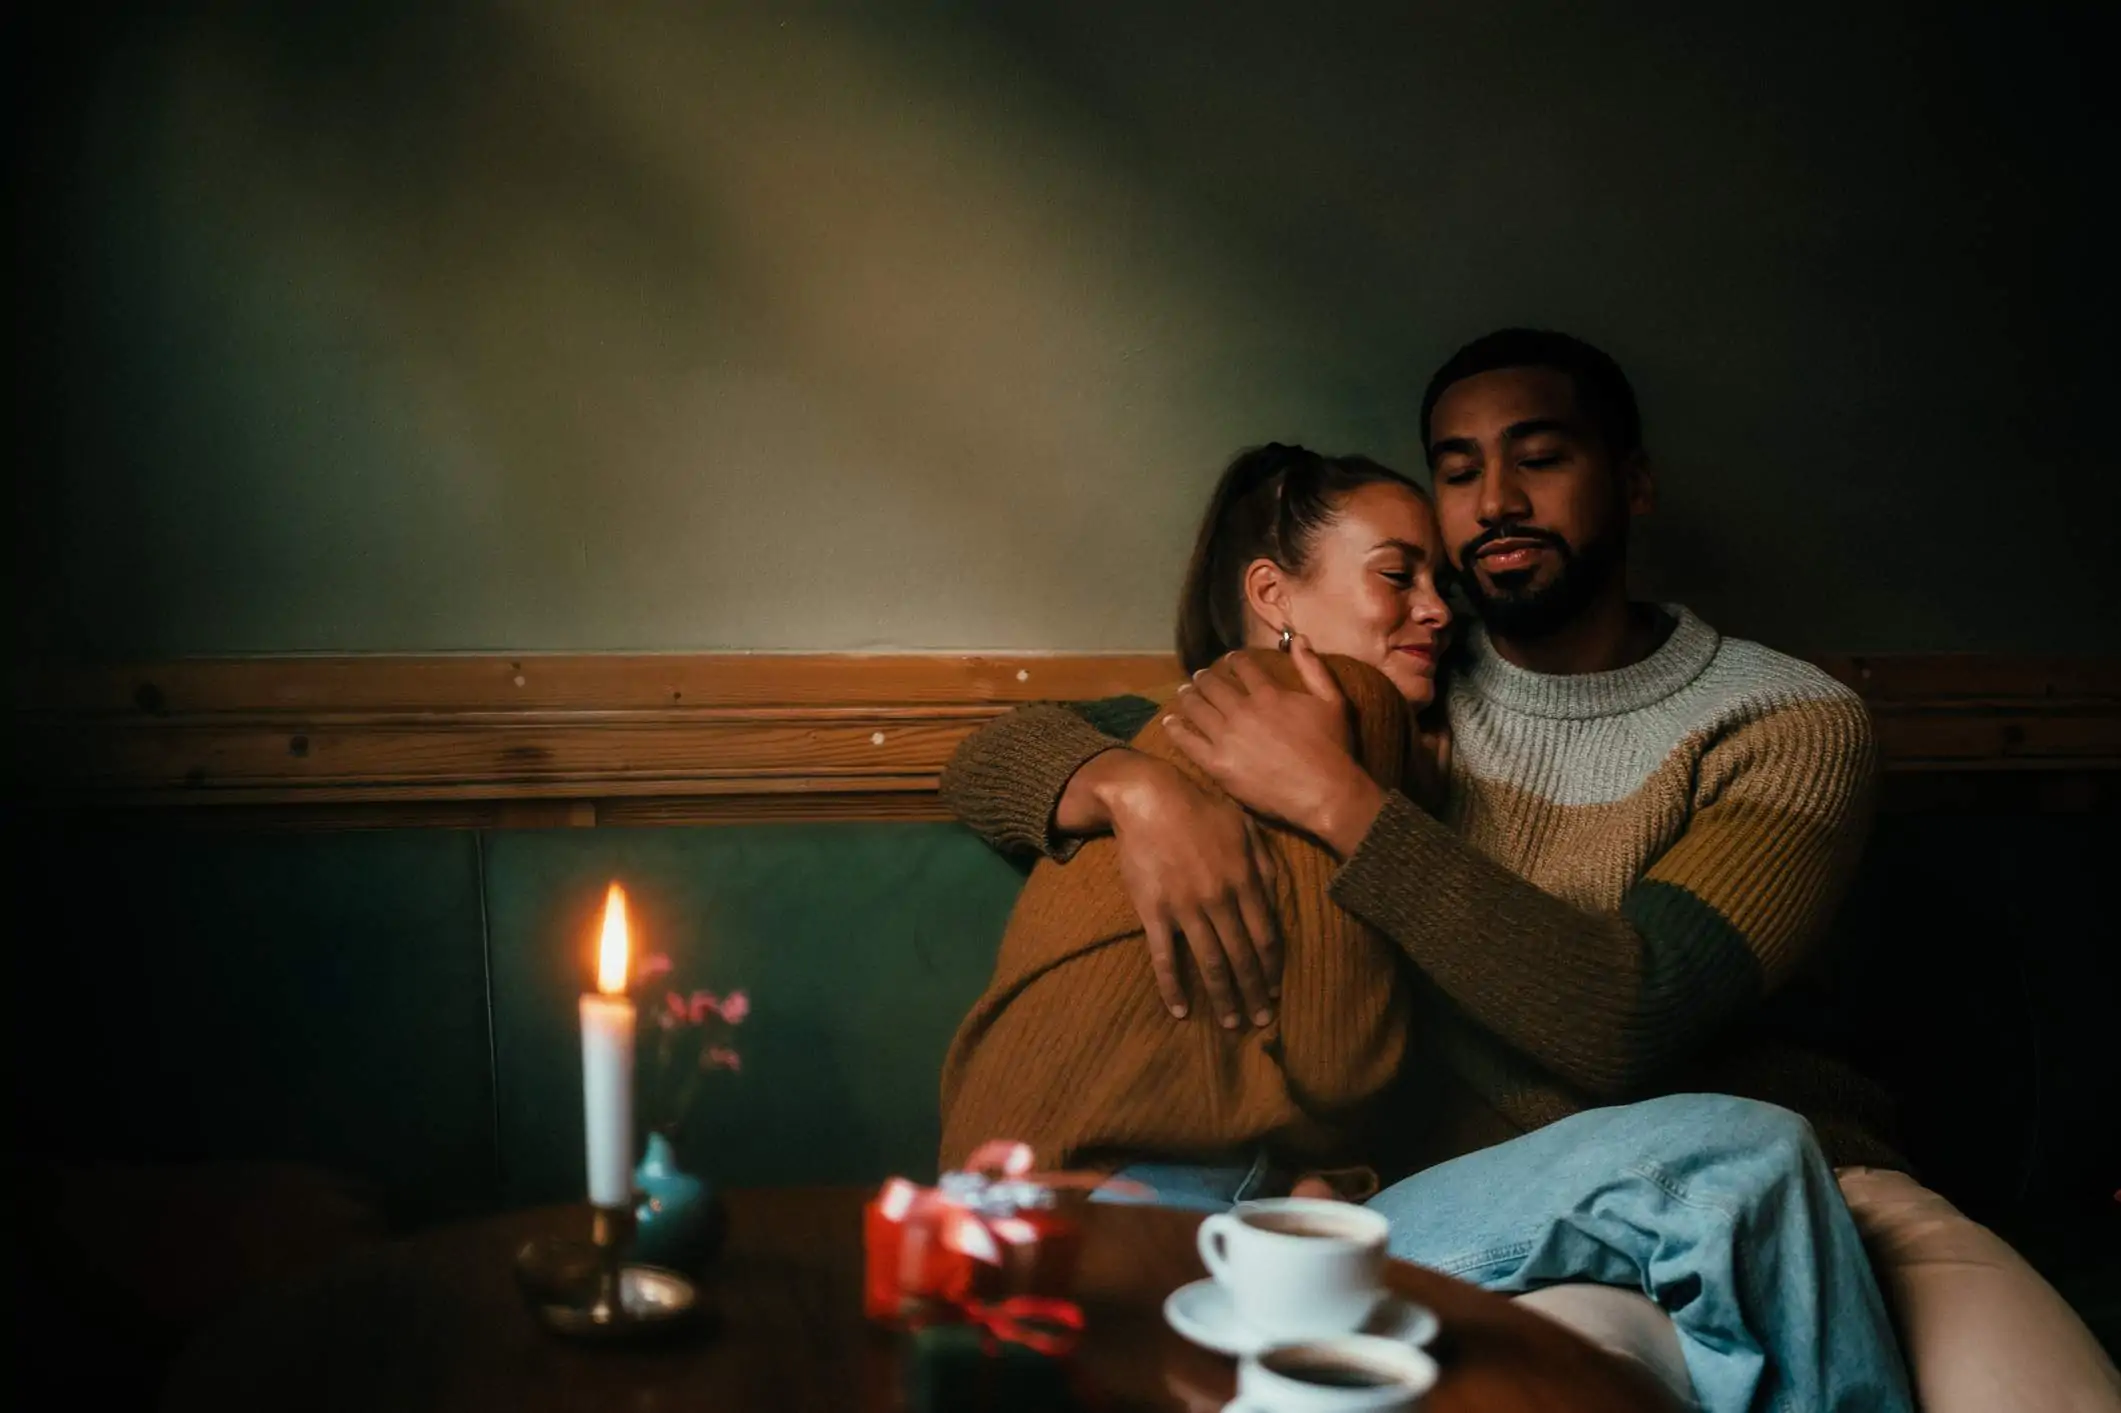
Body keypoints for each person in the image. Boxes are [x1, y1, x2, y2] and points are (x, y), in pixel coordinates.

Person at [942, 331, 2121, 1413]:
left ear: (1633, 483)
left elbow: (1631, 1013)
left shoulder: (1786, 719)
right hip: (1497, 1196)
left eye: (1542, 458)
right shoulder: (1389, 687)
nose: (1495, 501)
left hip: (1824, 1179)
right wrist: (1130, 790)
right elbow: (1015, 749)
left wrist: (1344, 804)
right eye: (1458, 472)